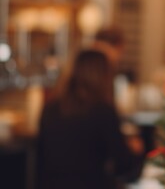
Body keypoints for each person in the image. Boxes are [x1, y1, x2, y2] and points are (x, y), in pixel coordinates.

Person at [36, 49, 144, 189]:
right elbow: (123, 166)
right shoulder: (102, 111)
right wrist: (136, 150)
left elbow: (40, 159)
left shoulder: (51, 108)